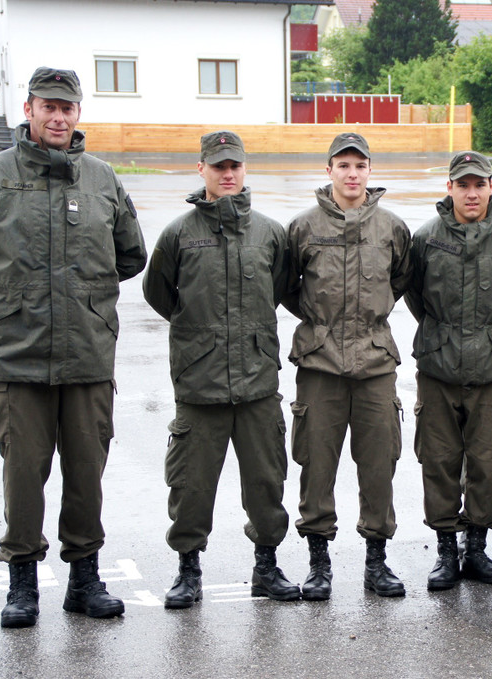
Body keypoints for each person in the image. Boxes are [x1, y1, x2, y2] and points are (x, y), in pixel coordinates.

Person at [0, 67, 146, 628]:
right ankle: (22, 584)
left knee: (87, 473)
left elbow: (131, 255)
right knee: (24, 475)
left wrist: (86, 298)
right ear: (27, 109)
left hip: (87, 354)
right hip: (17, 355)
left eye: (67, 107)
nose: (57, 116)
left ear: (78, 114)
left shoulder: (101, 179)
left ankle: (84, 581)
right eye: (47, 106)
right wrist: (6, 294)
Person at [142, 131, 300, 608]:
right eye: (218, 167)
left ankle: (266, 568)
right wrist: (200, 339)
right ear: (202, 170)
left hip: (257, 383)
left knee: (267, 483)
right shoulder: (179, 234)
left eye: (234, 166)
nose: (227, 174)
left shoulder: (270, 233)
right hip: (200, 384)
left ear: (244, 169)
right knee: (190, 487)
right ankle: (188, 571)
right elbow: (159, 293)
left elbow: (279, 288)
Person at [284, 132, 412, 599]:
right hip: (320, 366)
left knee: (379, 465)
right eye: (343, 165)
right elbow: (287, 285)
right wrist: (320, 326)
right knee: (316, 465)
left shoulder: (392, 228)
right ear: (329, 171)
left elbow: (401, 280)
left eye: (360, 165)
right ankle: (319, 564)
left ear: (370, 170)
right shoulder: (303, 227)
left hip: (375, 365)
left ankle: (376, 562)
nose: (352, 173)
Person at [405, 151, 492, 590]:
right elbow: (416, 296)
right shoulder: (425, 238)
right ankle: (446, 551)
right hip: (438, 367)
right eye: (463, 185)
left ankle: (476, 548)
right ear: (450, 188)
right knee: (438, 460)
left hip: (491, 367)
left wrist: (489, 336)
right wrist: (444, 334)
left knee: (488, 461)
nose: (472, 193)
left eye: (479, 184)